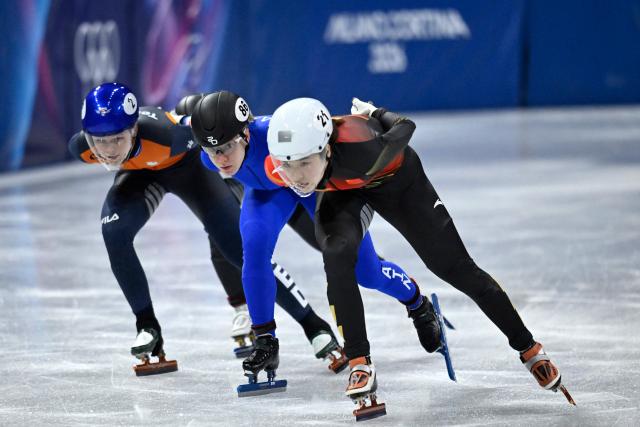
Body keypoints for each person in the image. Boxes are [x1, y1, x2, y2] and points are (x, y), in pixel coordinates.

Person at [265, 97, 576, 406]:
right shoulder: (280, 166)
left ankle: (530, 349)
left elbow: (405, 126)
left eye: (305, 163)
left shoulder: (364, 147)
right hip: (345, 192)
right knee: (335, 253)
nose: (296, 176)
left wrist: (375, 112)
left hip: (398, 184)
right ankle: (360, 362)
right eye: (287, 166)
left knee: (457, 269)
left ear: (327, 149)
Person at [68, 82, 345, 375]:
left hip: (188, 171)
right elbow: (105, 149)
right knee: (114, 233)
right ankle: (147, 325)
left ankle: (313, 325)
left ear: (134, 129)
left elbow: (224, 128)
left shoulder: (168, 134)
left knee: (236, 250)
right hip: (140, 177)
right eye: (100, 142)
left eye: (117, 140)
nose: (108, 152)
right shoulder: (82, 148)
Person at [188, 91, 441, 405]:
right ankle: (265, 340)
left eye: (226, 147)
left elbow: (329, 139)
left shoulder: (273, 135)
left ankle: (417, 303)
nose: (220, 159)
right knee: (252, 252)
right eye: (212, 151)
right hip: (269, 193)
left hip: (314, 188)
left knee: (366, 271)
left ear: (245, 134)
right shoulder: (209, 157)